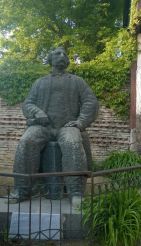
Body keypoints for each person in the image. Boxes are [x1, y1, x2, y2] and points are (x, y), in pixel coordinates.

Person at [11, 47, 99, 203]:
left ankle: (76, 192)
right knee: (26, 141)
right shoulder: (40, 83)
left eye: (65, 54)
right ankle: (21, 189)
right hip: (43, 127)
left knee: (72, 144)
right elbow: (28, 104)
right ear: (50, 59)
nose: (62, 56)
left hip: (67, 126)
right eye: (58, 53)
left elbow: (90, 101)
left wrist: (80, 122)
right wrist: (38, 113)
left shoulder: (77, 81)